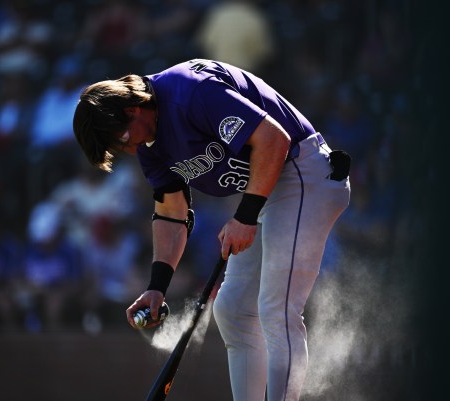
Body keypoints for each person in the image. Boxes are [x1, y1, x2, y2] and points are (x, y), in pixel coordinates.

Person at [72, 59, 351, 401]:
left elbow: (273, 140)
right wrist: (157, 287)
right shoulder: (150, 144)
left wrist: (245, 217)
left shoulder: (191, 91)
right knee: (233, 309)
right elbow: (172, 212)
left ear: (133, 109)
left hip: (303, 170)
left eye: (122, 139)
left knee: (276, 309)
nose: (127, 149)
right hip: (271, 191)